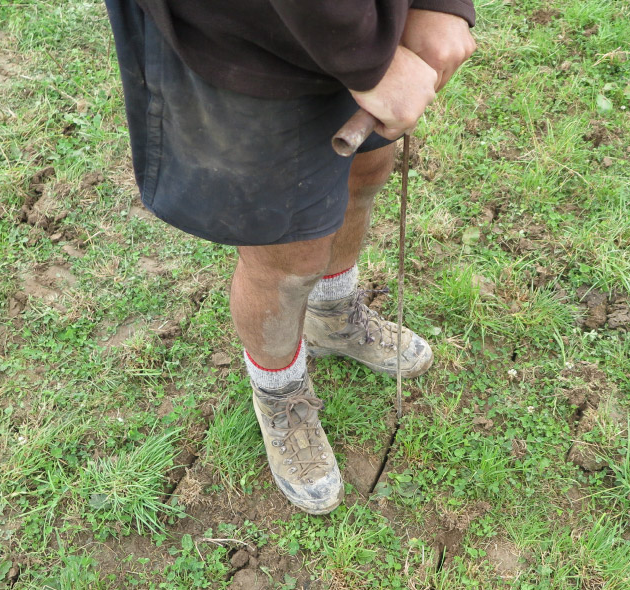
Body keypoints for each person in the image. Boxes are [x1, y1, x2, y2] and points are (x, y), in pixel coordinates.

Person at [103, 0, 476, 514]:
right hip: (248, 32)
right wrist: (368, 60)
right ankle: (279, 392)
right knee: (287, 249)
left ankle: (334, 316)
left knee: (365, 172)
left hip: (359, 21)